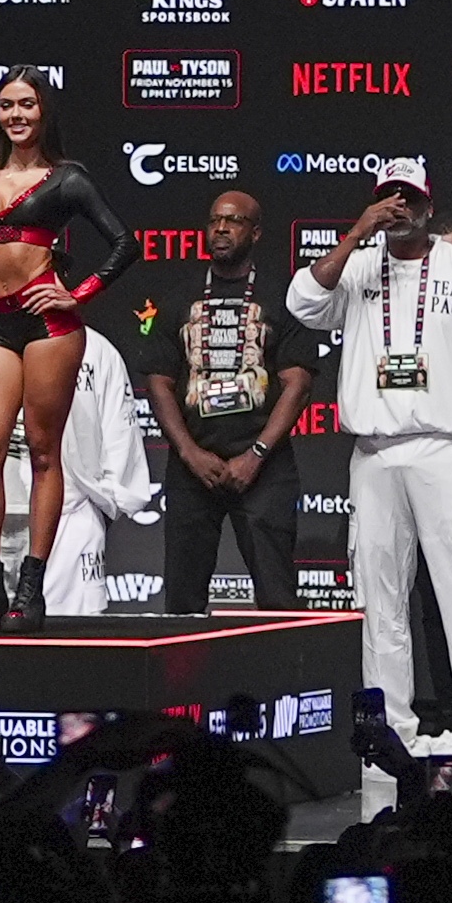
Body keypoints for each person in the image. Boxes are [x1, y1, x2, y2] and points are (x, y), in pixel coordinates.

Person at [290, 170, 452, 773]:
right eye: (388, 199)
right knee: (380, 599)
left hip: (449, 448)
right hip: (374, 451)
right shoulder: (360, 266)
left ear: (428, 204)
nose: (399, 209)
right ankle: (389, 732)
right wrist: (355, 235)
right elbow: (302, 303)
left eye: (410, 199)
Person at [0, 69, 134, 630]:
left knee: (47, 452)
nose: (17, 115)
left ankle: (32, 587)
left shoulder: (67, 179)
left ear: (44, 112)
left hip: (50, 327)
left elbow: (126, 243)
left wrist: (78, 294)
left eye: (27, 104)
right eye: (7, 106)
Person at [134, 185, 321, 618]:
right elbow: (159, 382)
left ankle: (281, 684)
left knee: (277, 597)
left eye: (234, 221)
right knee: (182, 601)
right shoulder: (180, 298)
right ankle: (181, 687)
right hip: (192, 466)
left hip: (264, 466)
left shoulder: (280, 297)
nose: (221, 228)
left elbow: (298, 384)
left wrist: (255, 455)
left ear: (255, 233)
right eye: (215, 220)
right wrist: (189, 453)